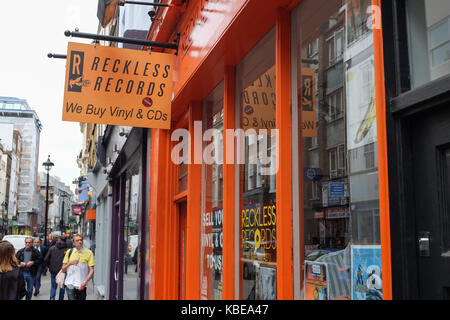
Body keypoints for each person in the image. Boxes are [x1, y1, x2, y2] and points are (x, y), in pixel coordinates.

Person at [61, 234, 95, 300]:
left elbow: (92, 270)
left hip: (81, 284)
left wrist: (85, 282)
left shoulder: (89, 253)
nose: (80, 242)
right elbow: (63, 270)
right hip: (70, 284)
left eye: (81, 240)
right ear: (73, 243)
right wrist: (70, 263)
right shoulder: (69, 252)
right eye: (77, 240)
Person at [44, 235, 69, 300]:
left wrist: (49, 266)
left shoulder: (52, 248)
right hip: (63, 271)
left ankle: (52, 298)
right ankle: (60, 298)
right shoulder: (67, 250)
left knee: (53, 286)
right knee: (62, 287)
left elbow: (46, 259)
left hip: (53, 270)